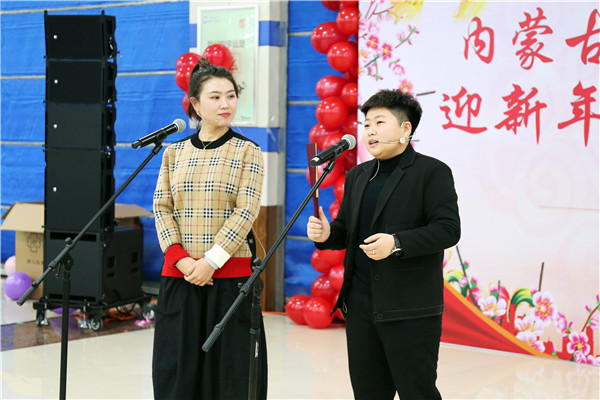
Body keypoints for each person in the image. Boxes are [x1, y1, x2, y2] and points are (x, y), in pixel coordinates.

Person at [307, 89, 460, 399]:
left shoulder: (432, 172)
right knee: (368, 393)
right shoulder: (358, 175)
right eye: (366, 124)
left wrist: (397, 242)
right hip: (361, 306)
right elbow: (346, 230)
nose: (370, 131)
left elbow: (448, 230)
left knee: (417, 392)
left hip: (409, 308)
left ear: (406, 129)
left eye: (379, 122)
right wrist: (327, 235)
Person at [152, 57, 267, 399]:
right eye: (215, 97)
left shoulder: (247, 151)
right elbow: (162, 208)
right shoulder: (174, 152)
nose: (225, 104)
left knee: (230, 375)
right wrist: (182, 260)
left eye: (231, 96)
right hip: (181, 275)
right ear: (195, 104)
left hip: (229, 279)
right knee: (177, 371)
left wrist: (211, 261)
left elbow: (246, 211)